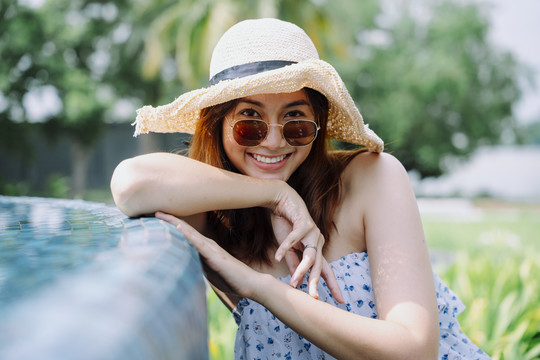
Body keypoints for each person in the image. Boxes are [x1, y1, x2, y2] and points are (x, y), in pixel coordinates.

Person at [111, 18, 490, 360]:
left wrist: (262, 289)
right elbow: (131, 185)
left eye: (296, 122)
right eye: (250, 122)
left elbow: (413, 350)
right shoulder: (217, 217)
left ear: (318, 124)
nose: (274, 142)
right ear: (218, 126)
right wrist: (276, 195)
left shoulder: (370, 178)